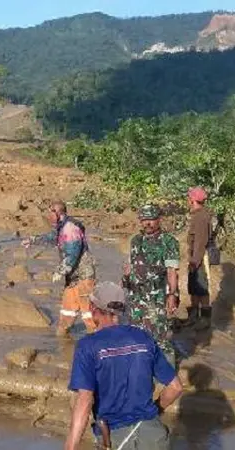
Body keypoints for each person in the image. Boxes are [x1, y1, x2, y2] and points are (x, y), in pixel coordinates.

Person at [65, 282, 183, 450]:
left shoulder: (88, 346)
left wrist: (70, 447)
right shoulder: (143, 338)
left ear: (92, 308)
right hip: (154, 436)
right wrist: (152, 414)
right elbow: (176, 387)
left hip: (116, 438)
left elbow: (84, 400)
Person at [23, 201, 97, 335]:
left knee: (89, 315)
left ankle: (98, 341)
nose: (48, 216)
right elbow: (52, 238)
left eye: (51, 213)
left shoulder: (70, 228)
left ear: (59, 213)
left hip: (84, 276)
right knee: (66, 314)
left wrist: (60, 271)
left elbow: (73, 254)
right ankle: (63, 343)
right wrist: (33, 240)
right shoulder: (61, 227)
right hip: (72, 277)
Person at [123, 204, 180, 366]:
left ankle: (168, 375)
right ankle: (140, 368)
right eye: (144, 220)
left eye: (151, 220)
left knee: (161, 336)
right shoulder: (136, 241)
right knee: (135, 334)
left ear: (159, 220)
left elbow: (172, 271)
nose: (148, 223)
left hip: (157, 297)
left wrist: (172, 295)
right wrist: (126, 277)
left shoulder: (169, 241)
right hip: (136, 297)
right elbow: (131, 265)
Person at [186, 186, 213, 329]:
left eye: (189, 197)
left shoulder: (201, 217)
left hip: (200, 259)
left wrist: (195, 261)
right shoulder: (198, 214)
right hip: (196, 257)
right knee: (194, 287)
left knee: (202, 288)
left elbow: (200, 242)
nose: (187, 200)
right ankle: (194, 317)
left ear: (192, 200)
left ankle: (204, 321)